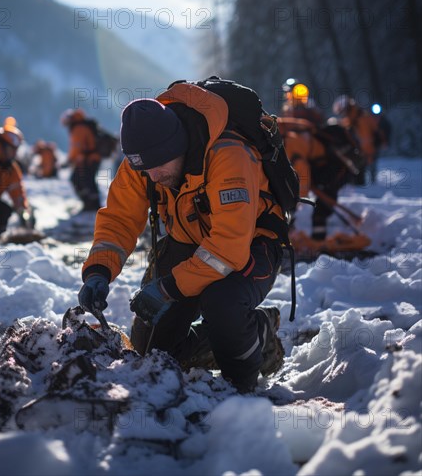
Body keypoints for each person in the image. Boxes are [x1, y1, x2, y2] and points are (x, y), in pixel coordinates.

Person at [77, 88, 286, 394]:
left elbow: (228, 249)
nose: (153, 176)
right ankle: (239, 337)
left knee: (222, 304)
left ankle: (242, 383)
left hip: (252, 245)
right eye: (144, 169)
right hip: (188, 242)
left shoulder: (228, 156)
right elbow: (119, 219)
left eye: (159, 166)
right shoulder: (144, 162)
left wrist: (168, 287)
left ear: (179, 146)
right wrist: (98, 271)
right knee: (153, 355)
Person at [332, 95, 380, 184]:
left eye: (342, 112)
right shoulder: (354, 117)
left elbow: (372, 135)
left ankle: (369, 183)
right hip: (363, 151)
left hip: (367, 150)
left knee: (364, 169)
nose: (342, 115)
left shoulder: (362, 118)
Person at [60, 108, 101, 212]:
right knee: (89, 181)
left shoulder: (78, 129)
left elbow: (76, 148)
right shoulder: (83, 126)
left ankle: (90, 204)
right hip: (92, 159)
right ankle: (94, 204)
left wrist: (69, 161)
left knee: (77, 179)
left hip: (88, 160)